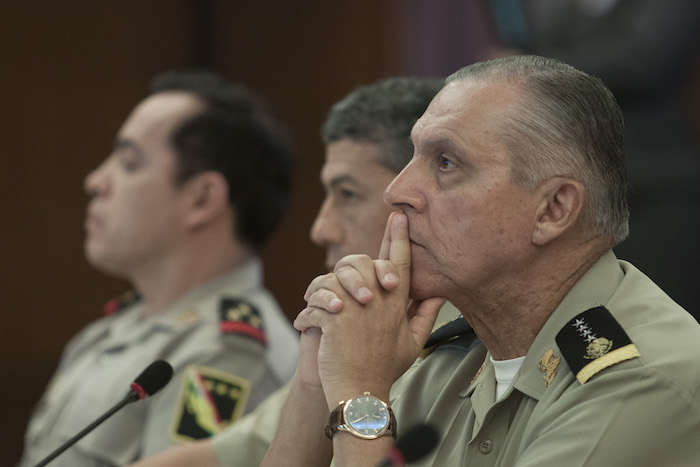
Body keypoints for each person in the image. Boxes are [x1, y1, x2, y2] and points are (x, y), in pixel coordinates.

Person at [263, 55, 700, 466]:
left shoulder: (641, 381)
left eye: (447, 163)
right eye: (413, 156)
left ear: (553, 210)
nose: (397, 191)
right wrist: (317, 378)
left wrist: (359, 398)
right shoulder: (443, 359)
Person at [130, 77, 460, 467]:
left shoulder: (472, 347)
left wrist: (358, 390)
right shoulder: (354, 334)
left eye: (348, 194)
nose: (321, 229)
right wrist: (310, 385)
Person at [19, 71, 299, 467]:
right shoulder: (118, 328)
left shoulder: (223, 355)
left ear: (202, 199)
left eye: (129, 163)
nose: (96, 181)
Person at [487, 0, 700, 316]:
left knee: (657, 315)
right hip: (578, 189)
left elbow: (642, 62)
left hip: (655, 187)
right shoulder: (561, 8)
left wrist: (528, 68)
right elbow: (536, 43)